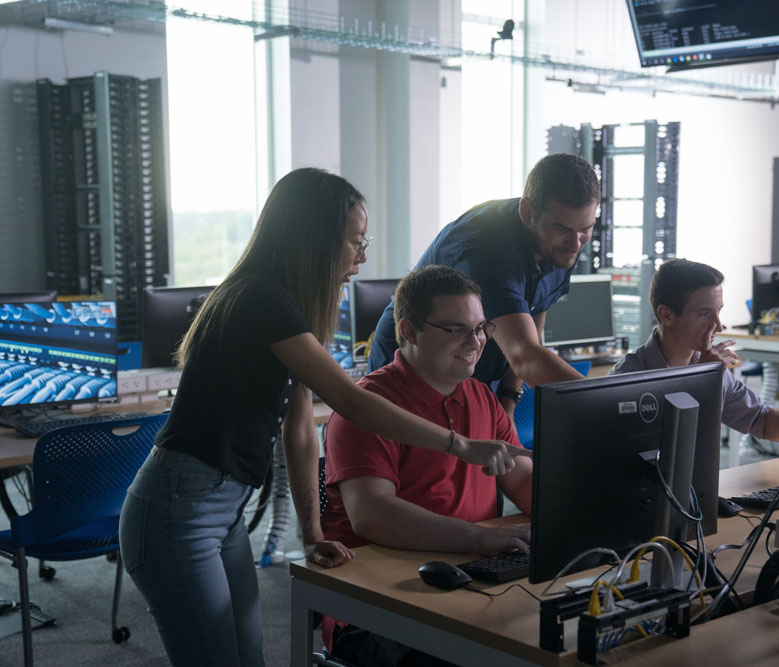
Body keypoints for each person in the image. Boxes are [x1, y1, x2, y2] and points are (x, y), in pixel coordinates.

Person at [119, 169, 524, 667]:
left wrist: (311, 532)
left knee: (248, 657)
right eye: (355, 240)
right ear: (315, 239)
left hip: (220, 507)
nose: (363, 254)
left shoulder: (287, 306)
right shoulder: (259, 299)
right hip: (179, 506)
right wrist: (458, 444)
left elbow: (299, 426)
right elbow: (349, 402)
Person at [320, 265, 533, 665]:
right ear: (410, 331)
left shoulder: (482, 398)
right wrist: (477, 539)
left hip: (469, 585)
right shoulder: (367, 407)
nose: (476, 342)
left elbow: (524, 483)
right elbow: (372, 515)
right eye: (456, 329)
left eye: (481, 328)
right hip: (376, 609)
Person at [366, 153, 600, 415]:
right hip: (410, 379)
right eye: (563, 229)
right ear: (527, 213)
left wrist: (508, 399)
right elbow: (524, 355)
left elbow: (536, 314)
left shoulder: (560, 244)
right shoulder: (486, 250)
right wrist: (606, 405)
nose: (575, 243)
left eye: (586, 229)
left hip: (468, 380)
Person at [611, 258, 779, 442]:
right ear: (666, 315)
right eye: (704, 314)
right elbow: (662, 446)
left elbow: (761, 420)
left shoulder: (708, 364)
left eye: (718, 311)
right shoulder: (627, 378)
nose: (719, 326)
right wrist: (702, 383)